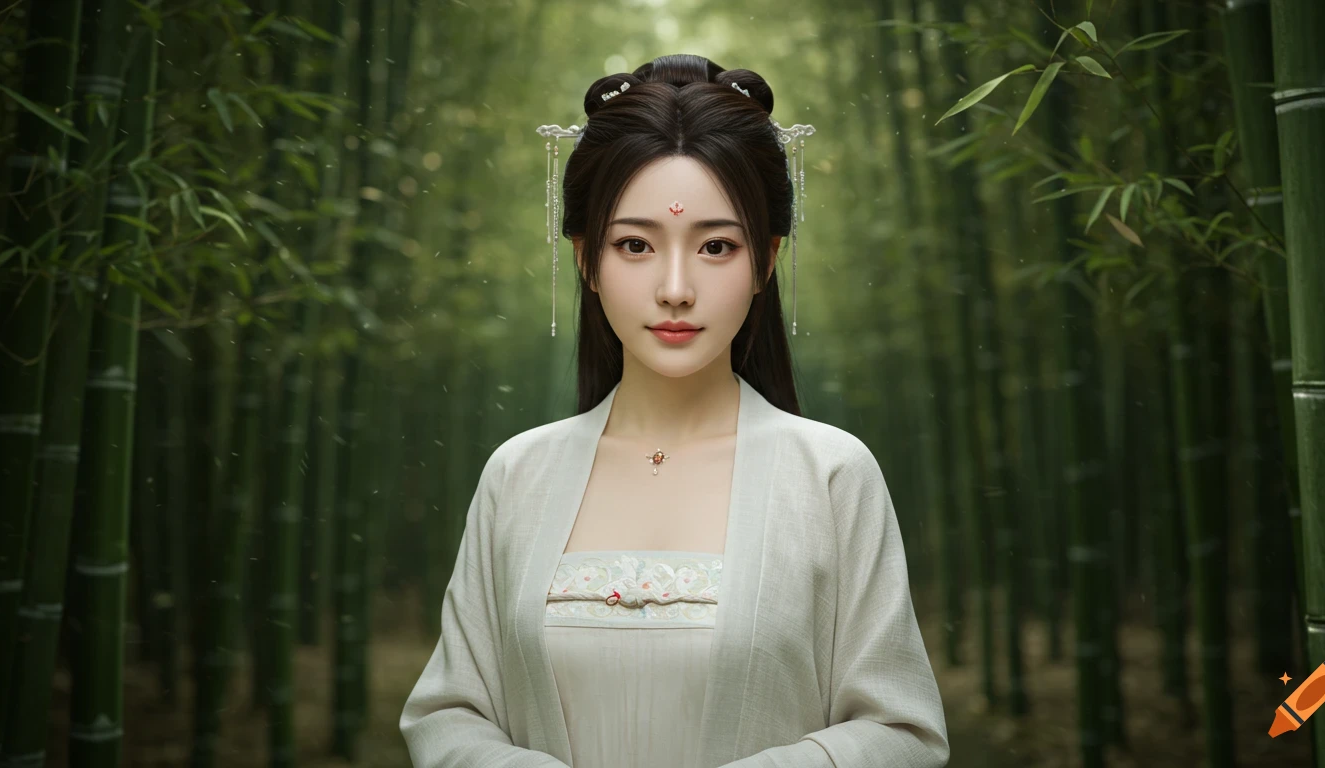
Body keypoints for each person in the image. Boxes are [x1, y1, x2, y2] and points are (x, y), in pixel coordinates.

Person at [400, 53, 949, 768]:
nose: (676, 288)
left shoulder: (831, 475)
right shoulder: (518, 474)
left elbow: (902, 730)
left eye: (716, 246)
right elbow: (450, 714)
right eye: (635, 245)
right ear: (586, 259)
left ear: (767, 260)